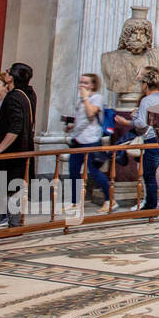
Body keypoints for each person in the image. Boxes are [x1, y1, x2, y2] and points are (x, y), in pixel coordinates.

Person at [0, 68, 31, 228]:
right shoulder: (22, 95)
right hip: (7, 149)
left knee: (5, 186)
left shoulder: (14, 98)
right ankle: (3, 220)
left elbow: (16, 127)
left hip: (10, 151)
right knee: (2, 186)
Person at [68, 72, 112, 215]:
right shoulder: (80, 99)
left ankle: (110, 200)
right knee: (73, 171)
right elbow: (80, 119)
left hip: (91, 140)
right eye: (81, 82)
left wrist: (86, 97)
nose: (82, 85)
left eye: (86, 83)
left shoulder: (97, 98)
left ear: (93, 85)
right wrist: (71, 126)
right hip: (78, 139)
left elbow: (91, 113)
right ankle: (75, 202)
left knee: (94, 172)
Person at [131, 67, 159, 210]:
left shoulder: (146, 101)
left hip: (151, 139)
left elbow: (142, 124)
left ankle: (150, 206)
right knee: (156, 171)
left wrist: (134, 117)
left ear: (145, 85)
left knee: (149, 174)